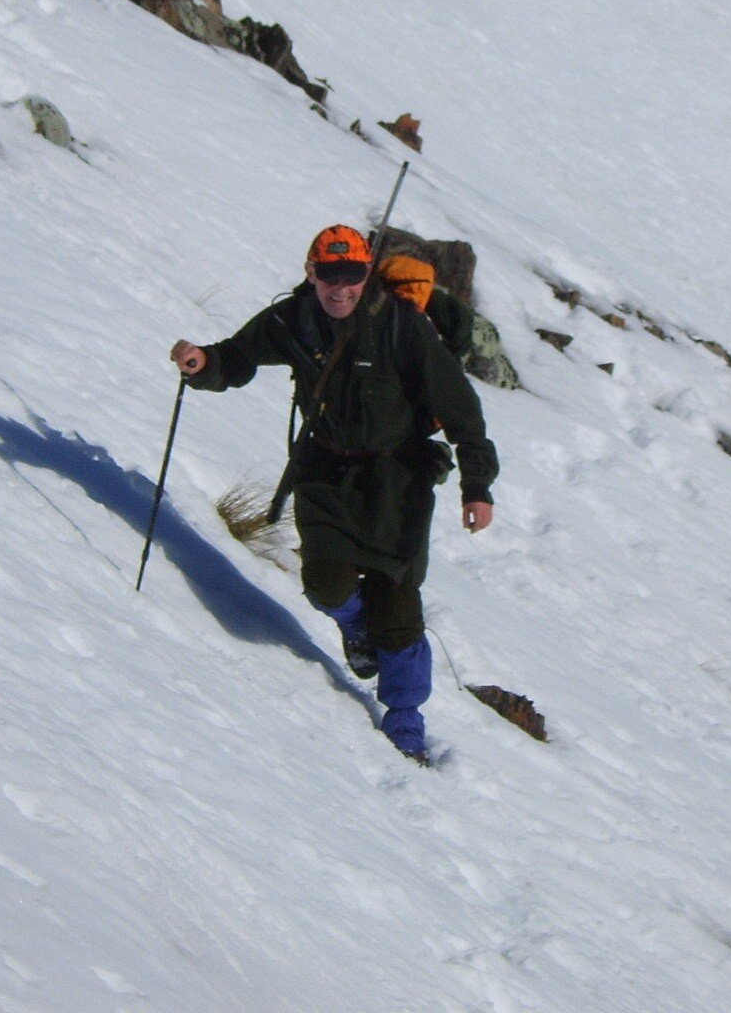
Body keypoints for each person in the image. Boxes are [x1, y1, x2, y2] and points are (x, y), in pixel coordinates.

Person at [170, 224, 498, 762]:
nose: (340, 289)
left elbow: (461, 409)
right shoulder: (294, 318)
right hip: (325, 470)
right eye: (329, 275)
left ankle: (406, 722)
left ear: (367, 273)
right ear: (311, 272)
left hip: (400, 480)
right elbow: (237, 356)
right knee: (326, 584)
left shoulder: (402, 329)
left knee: (398, 611)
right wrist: (202, 365)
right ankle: (356, 628)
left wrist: (477, 486)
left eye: (351, 275)